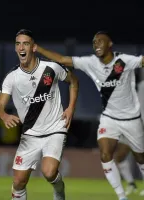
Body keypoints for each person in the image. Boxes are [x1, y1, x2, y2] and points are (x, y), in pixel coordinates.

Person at [36, 31, 144, 200]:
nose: (96, 44)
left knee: (140, 158)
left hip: (132, 119)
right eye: (94, 42)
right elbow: (63, 60)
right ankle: (122, 197)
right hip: (109, 118)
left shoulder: (123, 61)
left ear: (110, 44)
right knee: (105, 154)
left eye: (101, 41)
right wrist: (37, 48)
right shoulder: (91, 62)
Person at [0, 29, 78, 200]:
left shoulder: (51, 68)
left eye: (25, 43)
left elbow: (74, 81)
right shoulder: (12, 77)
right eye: (18, 44)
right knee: (18, 182)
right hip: (30, 133)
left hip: (55, 128)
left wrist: (70, 108)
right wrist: (3, 115)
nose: (21, 47)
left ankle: (59, 191)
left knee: (49, 172)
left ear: (33, 47)